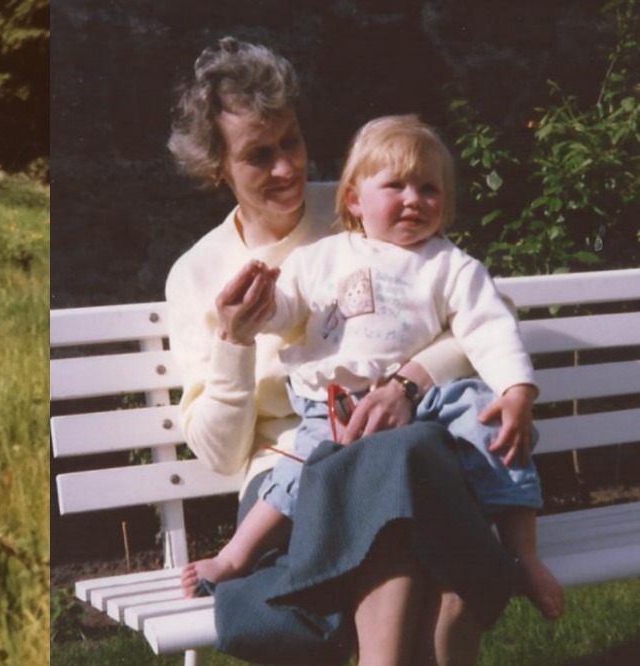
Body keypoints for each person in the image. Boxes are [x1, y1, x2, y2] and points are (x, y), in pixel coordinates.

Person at [165, 37, 522, 665]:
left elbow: (469, 313)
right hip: (289, 479)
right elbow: (222, 454)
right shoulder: (199, 274)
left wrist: (406, 384)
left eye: (292, 142)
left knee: (401, 459)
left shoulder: (367, 210)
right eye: (258, 156)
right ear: (217, 168)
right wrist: (234, 341)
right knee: (404, 496)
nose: (286, 168)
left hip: (412, 441)